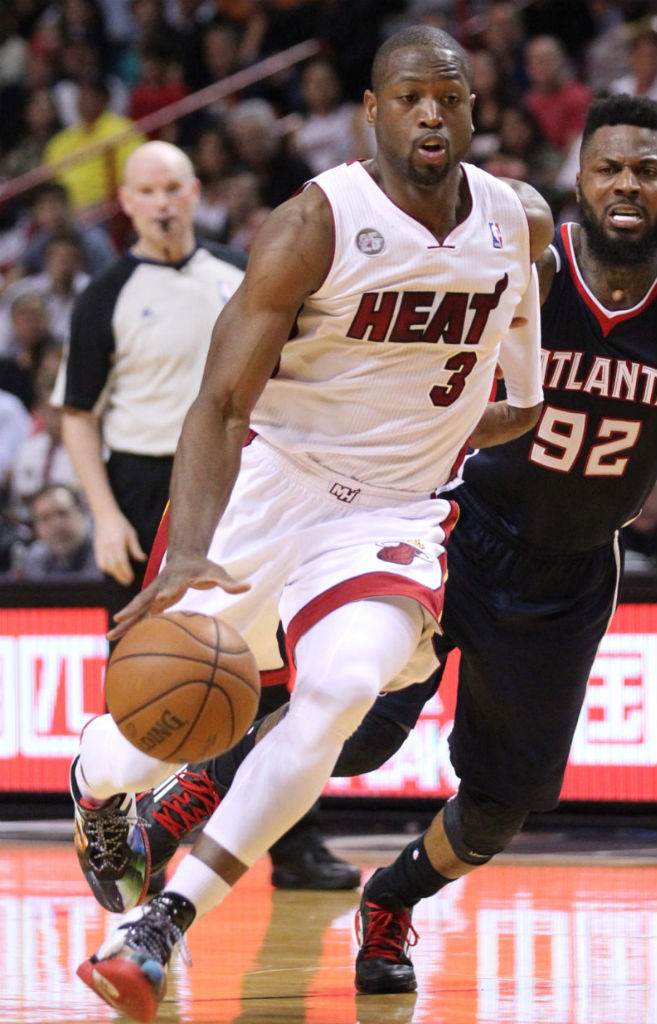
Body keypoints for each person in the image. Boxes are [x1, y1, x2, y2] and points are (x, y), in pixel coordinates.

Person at [72, 25, 552, 1022]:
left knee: (337, 689)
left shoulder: (519, 224)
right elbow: (220, 401)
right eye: (410, 96)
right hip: (273, 490)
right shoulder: (313, 223)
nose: (431, 112)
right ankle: (95, 784)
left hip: (392, 515)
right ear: (369, 111)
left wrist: (442, 425)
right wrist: (193, 550)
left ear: (475, 110)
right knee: (165, 728)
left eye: (450, 98)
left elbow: (519, 400)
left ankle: (161, 921)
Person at [135, 92, 657, 1000]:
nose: (626, 185)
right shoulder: (526, 260)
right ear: (576, 177)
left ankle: (393, 900)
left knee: (503, 807)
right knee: (357, 727)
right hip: (459, 530)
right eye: (609, 166)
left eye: (646, 171)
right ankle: (195, 789)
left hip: (570, 575)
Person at [55, 136, 357, 893]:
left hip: (240, 480)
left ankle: (293, 844)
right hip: (142, 486)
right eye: (147, 190)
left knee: (275, 675)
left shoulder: (245, 269)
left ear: (196, 192)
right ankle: (126, 831)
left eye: (174, 187)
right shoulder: (105, 294)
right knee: (162, 679)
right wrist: (104, 514)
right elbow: (77, 414)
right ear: (125, 203)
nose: (162, 201)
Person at [6, 482, 102, 581]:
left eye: (62, 513)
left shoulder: (104, 552)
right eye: (45, 518)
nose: (56, 524)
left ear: (82, 512)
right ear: (35, 528)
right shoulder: (34, 558)